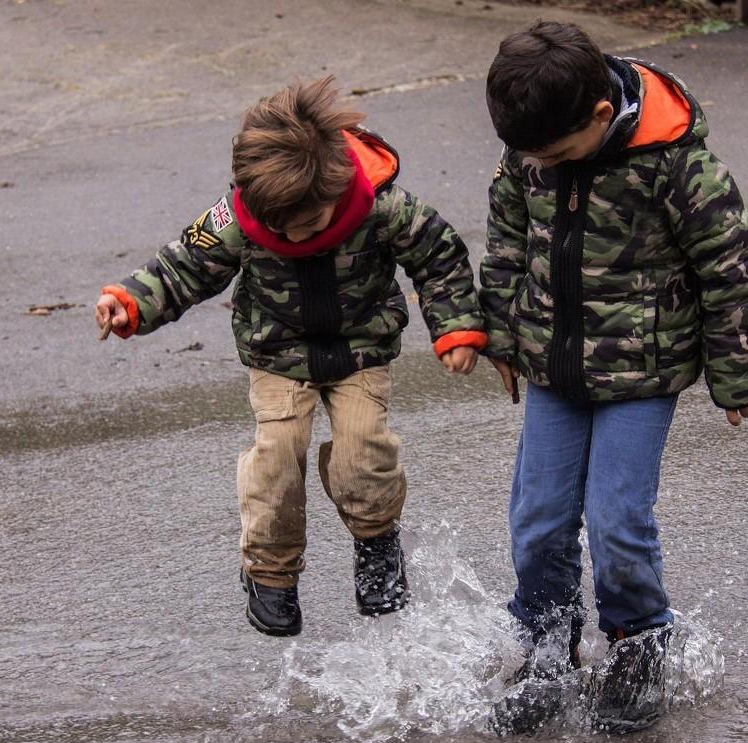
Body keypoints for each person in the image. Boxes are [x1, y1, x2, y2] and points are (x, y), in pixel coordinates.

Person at [95, 77, 488, 637]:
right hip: (277, 354)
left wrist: (457, 330)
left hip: (360, 351)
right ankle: (271, 572)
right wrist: (131, 302)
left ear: (333, 190)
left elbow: (440, 259)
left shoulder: (382, 205)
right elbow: (184, 265)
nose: (290, 236)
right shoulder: (238, 215)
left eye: (304, 227)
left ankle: (376, 543)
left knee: (363, 453)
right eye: (277, 228)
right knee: (278, 455)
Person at [479, 22, 748, 732]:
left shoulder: (675, 164)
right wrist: (503, 334)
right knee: (539, 519)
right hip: (552, 365)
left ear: (601, 116)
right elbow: (507, 244)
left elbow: (731, 268)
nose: (538, 162)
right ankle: (547, 640)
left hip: (643, 372)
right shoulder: (528, 155)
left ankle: (639, 640)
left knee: (616, 521)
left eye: (553, 152)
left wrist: (736, 373)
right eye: (528, 152)